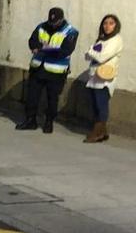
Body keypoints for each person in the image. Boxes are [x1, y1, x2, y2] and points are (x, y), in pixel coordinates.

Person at [16, 7, 79, 134]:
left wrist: (42, 48)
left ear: (62, 20)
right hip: (38, 67)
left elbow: (64, 51)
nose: (53, 25)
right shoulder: (42, 27)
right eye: (51, 22)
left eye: (56, 23)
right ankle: (30, 120)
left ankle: (49, 122)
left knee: (52, 99)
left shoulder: (71, 32)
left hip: (56, 71)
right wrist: (39, 46)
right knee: (32, 96)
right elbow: (32, 41)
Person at [83, 14, 123, 143]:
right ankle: (102, 133)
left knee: (101, 105)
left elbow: (101, 57)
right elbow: (87, 56)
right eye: (105, 23)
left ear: (116, 26)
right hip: (95, 76)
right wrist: (92, 52)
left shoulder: (116, 40)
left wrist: (92, 52)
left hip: (105, 77)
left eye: (111, 23)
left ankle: (97, 132)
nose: (107, 26)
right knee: (95, 105)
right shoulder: (102, 40)